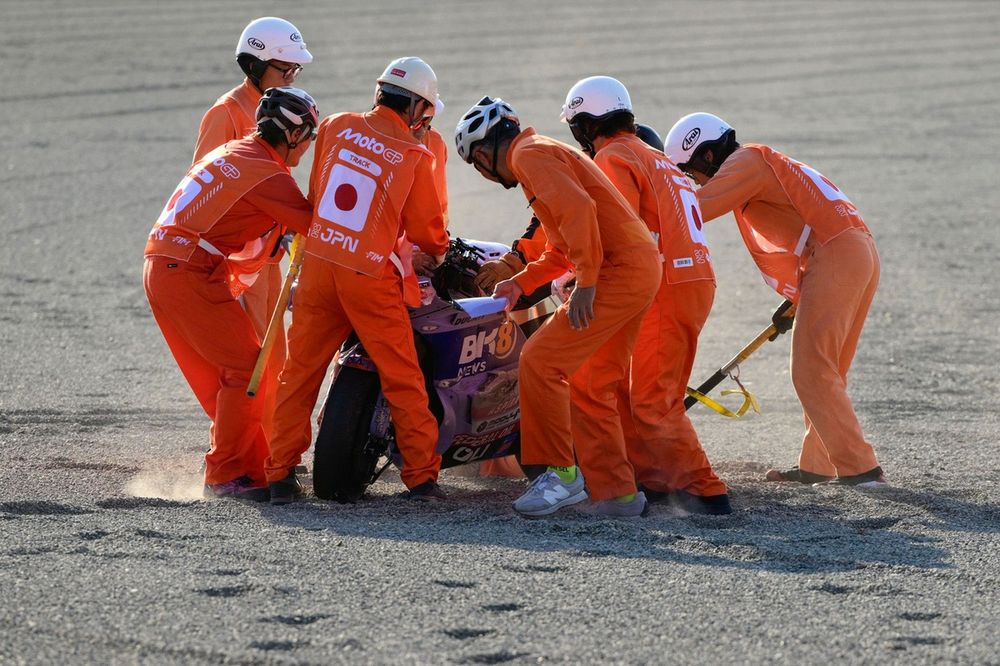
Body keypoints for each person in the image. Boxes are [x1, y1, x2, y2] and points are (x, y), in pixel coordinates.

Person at [455, 96, 662, 518]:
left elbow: (580, 211)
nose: (483, 174)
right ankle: (618, 494)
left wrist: (587, 280)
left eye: (477, 166)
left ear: (482, 152)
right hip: (637, 268)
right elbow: (559, 248)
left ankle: (562, 474)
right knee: (591, 384)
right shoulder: (544, 152)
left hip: (615, 272)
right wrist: (520, 282)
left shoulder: (529, 155)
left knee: (539, 362)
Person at [664, 112, 885, 488]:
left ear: (707, 156)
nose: (693, 182)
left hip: (835, 255)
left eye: (689, 173)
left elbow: (693, 212)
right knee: (827, 371)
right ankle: (819, 464)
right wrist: (801, 296)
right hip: (851, 252)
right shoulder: (757, 161)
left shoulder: (746, 162)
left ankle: (861, 471)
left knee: (811, 371)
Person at [265, 57, 450, 504]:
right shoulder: (413, 154)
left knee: (299, 374)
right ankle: (422, 478)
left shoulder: (333, 125)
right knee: (402, 375)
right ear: (418, 109)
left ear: (379, 92)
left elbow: (317, 193)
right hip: (369, 276)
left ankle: (279, 475)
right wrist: (436, 252)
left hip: (319, 265)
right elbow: (429, 231)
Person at [561, 77, 730, 514]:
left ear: (585, 124)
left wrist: (584, 278)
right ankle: (653, 478)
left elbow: (621, 227)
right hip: (694, 279)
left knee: (653, 398)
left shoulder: (615, 156)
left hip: (667, 282)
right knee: (638, 389)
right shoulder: (657, 157)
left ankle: (703, 490)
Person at [144, 88, 319, 499]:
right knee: (247, 370)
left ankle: (246, 465)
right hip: (188, 271)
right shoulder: (269, 173)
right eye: (309, 136)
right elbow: (319, 226)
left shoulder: (237, 150)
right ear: (294, 135)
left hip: (163, 263)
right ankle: (225, 474)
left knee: (226, 377)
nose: (309, 146)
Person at [192, 17, 315, 442]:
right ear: (254, 65)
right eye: (284, 70)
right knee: (245, 361)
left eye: (295, 71)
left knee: (275, 359)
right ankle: (239, 449)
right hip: (231, 264)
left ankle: (271, 446)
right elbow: (205, 189)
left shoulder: (282, 107)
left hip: (267, 261)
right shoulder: (226, 113)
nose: (290, 78)